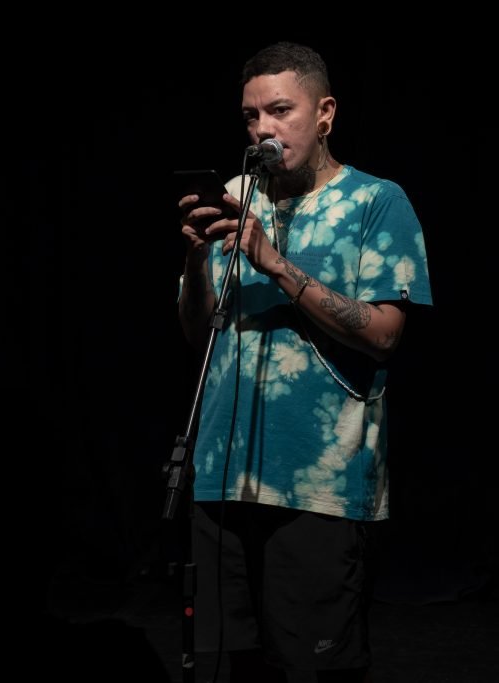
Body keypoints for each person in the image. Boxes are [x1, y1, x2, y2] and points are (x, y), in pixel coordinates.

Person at [177, 41, 432, 683]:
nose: (262, 129)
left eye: (280, 111)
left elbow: (384, 334)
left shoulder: (378, 201)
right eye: (250, 116)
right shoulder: (237, 196)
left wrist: (276, 264)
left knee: (311, 671)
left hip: (317, 485)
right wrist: (191, 259)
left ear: (324, 114)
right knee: (217, 668)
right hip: (220, 476)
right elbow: (195, 333)